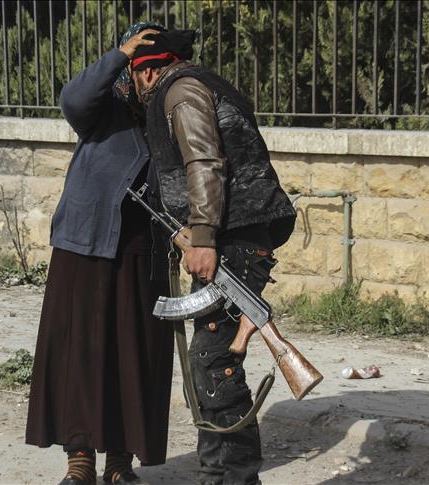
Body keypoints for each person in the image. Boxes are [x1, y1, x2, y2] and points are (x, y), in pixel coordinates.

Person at [129, 30, 297, 485]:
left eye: (135, 76)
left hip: (232, 236)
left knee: (214, 360)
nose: (136, 89)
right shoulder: (200, 84)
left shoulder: (179, 92)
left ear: (147, 70)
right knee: (210, 357)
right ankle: (216, 476)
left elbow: (204, 162)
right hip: (238, 232)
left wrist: (201, 236)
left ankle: (237, 478)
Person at [25, 23, 174, 485]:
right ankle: (80, 459)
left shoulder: (173, 110)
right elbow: (72, 98)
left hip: (141, 248)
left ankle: (119, 462)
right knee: (81, 352)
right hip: (86, 242)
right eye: (143, 66)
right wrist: (117, 54)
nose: (151, 77)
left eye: (159, 67)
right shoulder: (103, 106)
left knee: (134, 354)